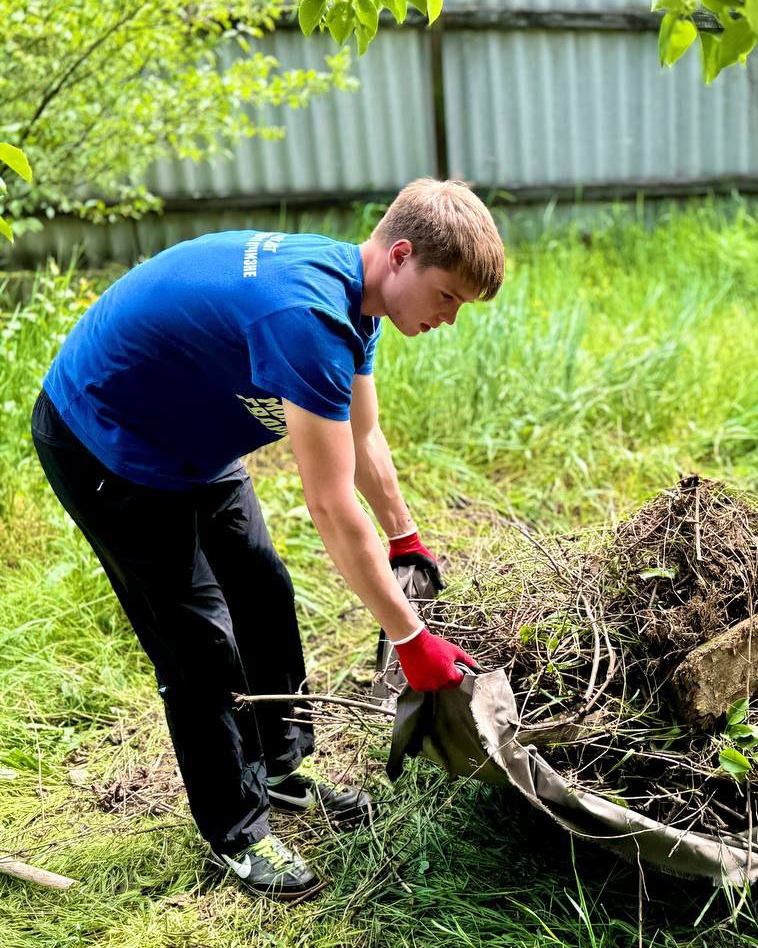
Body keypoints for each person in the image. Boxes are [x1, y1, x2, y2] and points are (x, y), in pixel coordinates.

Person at [30, 178, 504, 900]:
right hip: (106, 442)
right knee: (198, 641)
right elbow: (330, 503)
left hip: (194, 440)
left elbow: (364, 437)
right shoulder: (305, 317)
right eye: (448, 297)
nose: (450, 318)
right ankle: (238, 832)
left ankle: (281, 770)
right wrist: (411, 639)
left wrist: (405, 538)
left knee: (262, 588)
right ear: (402, 255)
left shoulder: (355, 300)